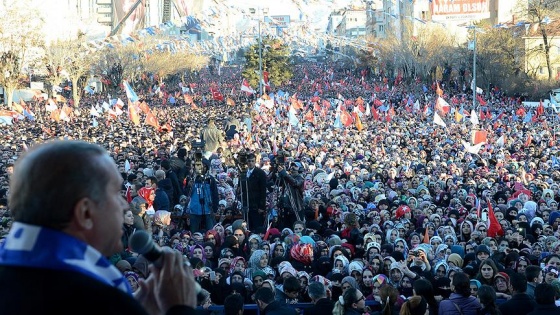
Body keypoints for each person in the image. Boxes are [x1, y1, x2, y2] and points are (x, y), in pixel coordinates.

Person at [0, 140, 197, 315]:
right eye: (115, 193)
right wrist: (179, 308)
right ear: (84, 213)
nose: (124, 205)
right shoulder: (93, 296)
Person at [241, 153, 267, 230]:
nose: (250, 163)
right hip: (246, 204)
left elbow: (263, 191)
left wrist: (261, 206)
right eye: (249, 161)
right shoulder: (243, 173)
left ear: (255, 161)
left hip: (256, 204)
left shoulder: (260, 173)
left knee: (257, 226)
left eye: (252, 161)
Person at [276, 161, 305, 229]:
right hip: (287, 207)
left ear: (300, 168)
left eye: (295, 166)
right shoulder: (286, 177)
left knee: (296, 226)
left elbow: (295, 183)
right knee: (286, 227)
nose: (293, 168)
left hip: (297, 207)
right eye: (292, 166)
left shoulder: (300, 178)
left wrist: (285, 174)